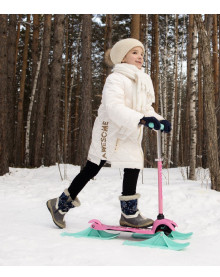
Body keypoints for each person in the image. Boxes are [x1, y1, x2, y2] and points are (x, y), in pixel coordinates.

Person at [47, 38, 171, 229]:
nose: (140, 57)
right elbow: (113, 107)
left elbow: (146, 107)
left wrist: (159, 120)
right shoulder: (115, 79)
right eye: (135, 52)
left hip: (130, 128)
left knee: (133, 164)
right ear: (123, 57)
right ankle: (60, 204)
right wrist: (142, 120)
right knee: (93, 167)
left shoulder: (142, 80)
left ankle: (129, 214)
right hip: (110, 128)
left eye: (142, 53)